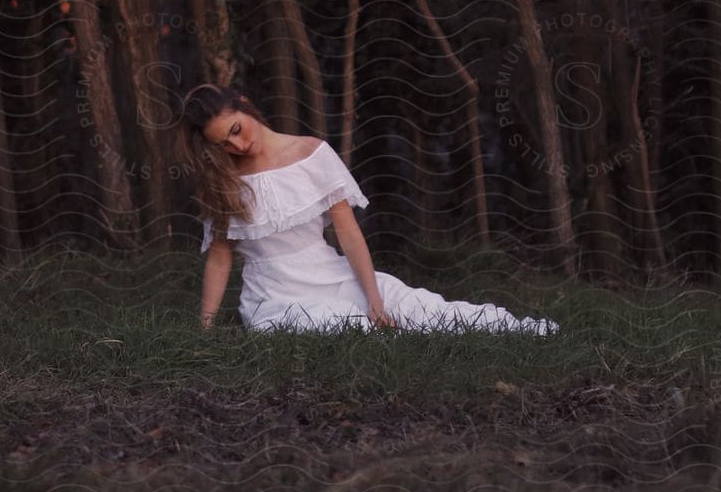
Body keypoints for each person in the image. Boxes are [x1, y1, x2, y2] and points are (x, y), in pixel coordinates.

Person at [181, 84, 559, 335]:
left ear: (245, 106)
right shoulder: (224, 180)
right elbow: (219, 257)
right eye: (224, 144)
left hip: (329, 272)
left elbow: (347, 232)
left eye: (236, 129)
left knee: (416, 307)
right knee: (338, 326)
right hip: (274, 296)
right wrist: (206, 327)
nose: (239, 145)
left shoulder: (311, 153)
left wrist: (374, 298)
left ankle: (519, 331)